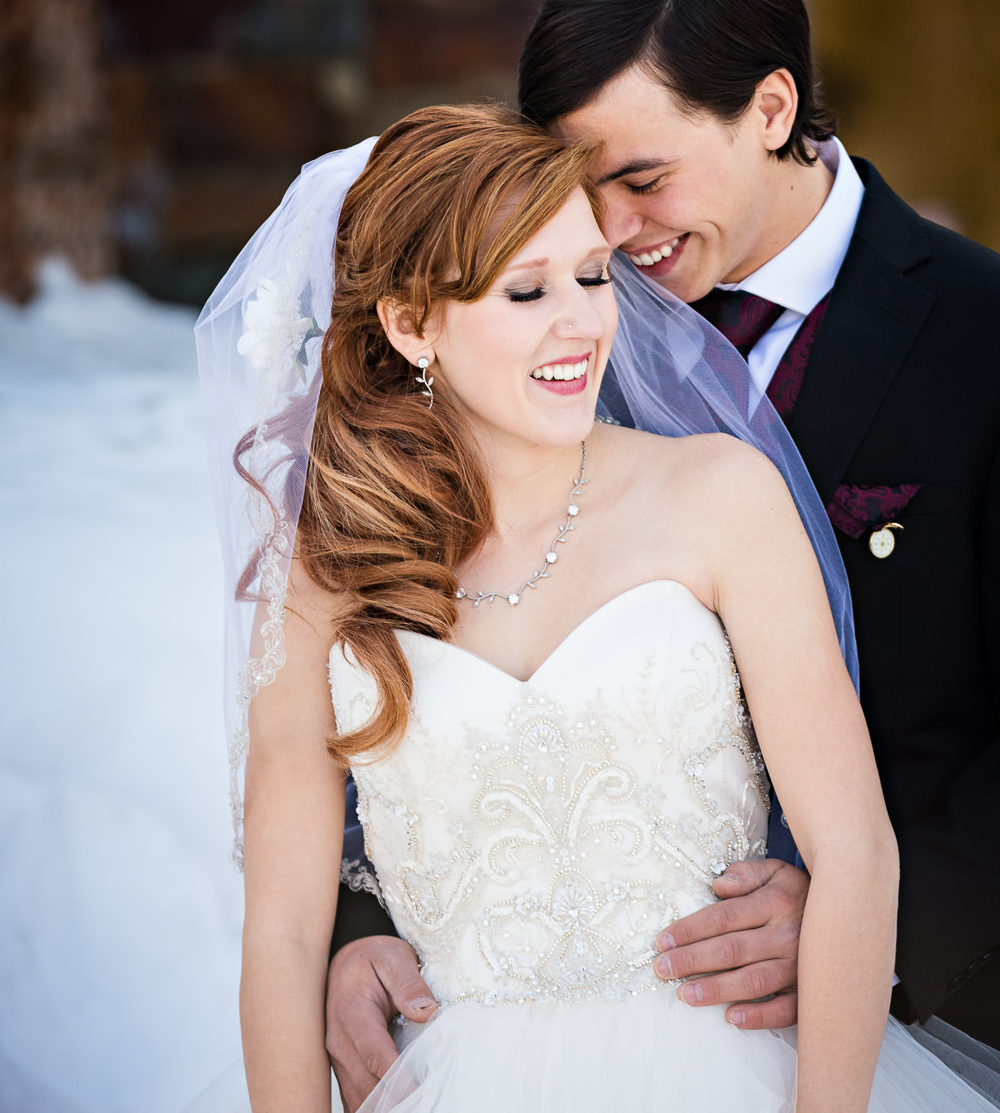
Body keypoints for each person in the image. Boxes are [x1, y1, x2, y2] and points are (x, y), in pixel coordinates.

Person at [194, 101, 998, 1112]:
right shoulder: (323, 568)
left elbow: (852, 850)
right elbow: (283, 934)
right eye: (525, 291)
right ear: (410, 325)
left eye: (590, 275)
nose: (580, 322)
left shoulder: (718, 494)